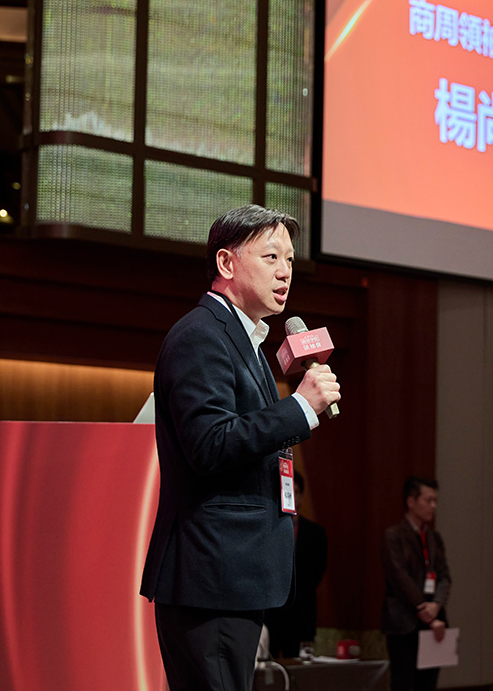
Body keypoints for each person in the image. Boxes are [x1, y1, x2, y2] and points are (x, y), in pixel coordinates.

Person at [139, 205, 341, 691]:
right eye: (271, 256)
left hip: (234, 575)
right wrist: (299, 408)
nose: (285, 271)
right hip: (212, 574)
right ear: (227, 263)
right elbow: (210, 444)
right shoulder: (201, 335)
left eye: (289, 259)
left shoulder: (244, 340)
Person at [382, 476, 452, 691]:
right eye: (428, 500)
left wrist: (436, 605)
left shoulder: (434, 537)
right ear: (411, 501)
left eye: (435, 501)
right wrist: (423, 608)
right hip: (404, 623)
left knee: (428, 683)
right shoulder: (393, 536)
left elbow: (444, 577)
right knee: (404, 683)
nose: (433, 506)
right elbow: (400, 578)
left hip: (433, 622)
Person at [265, 471, 329, 659]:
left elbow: (317, 573)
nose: (290, 494)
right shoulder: (267, 529)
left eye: (295, 490)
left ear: (301, 495)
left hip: (302, 616)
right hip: (271, 614)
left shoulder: (316, 533)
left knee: (300, 670)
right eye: (286, 489)